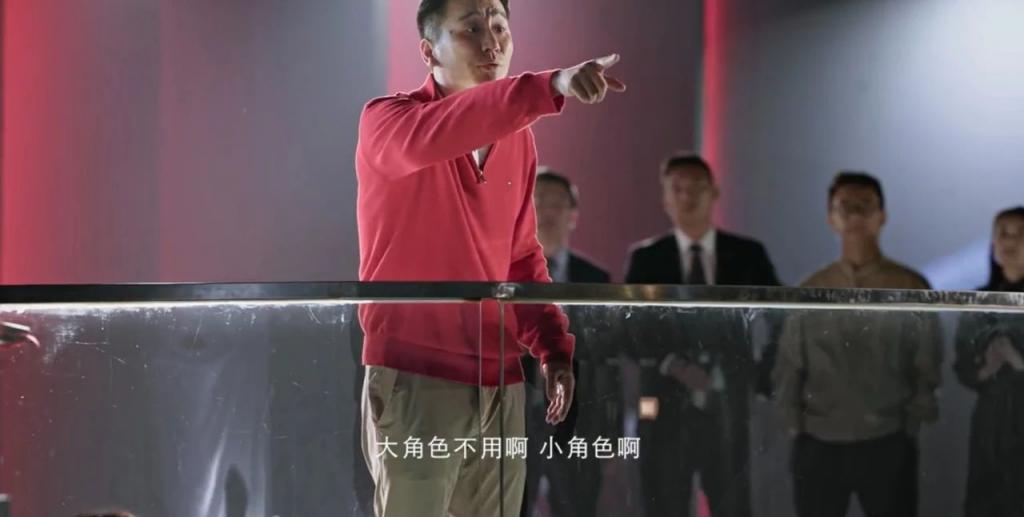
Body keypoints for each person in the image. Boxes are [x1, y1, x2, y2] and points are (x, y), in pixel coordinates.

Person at [354, 0, 626, 515]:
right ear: (428, 50)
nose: (492, 41)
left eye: (499, 26)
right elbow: (452, 125)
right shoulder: (387, 122)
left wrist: (553, 348)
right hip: (416, 373)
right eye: (472, 28)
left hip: (501, 381)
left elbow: (521, 258)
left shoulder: (518, 138)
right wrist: (550, 85)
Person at [772, 172, 942, 517]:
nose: (854, 215)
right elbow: (789, 367)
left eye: (865, 205)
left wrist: (911, 425)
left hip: (887, 438)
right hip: (819, 440)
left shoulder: (910, 286)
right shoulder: (811, 289)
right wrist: (794, 426)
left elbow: (927, 362)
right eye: (844, 206)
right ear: (831, 218)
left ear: (882, 216)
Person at [624, 152, 780, 517]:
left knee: (733, 504)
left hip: (729, 405)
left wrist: (759, 375)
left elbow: (779, 319)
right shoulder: (646, 258)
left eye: (697, 187)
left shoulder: (748, 255)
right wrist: (675, 366)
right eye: (677, 189)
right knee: (664, 502)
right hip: (665, 406)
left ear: (715, 193)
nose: (687, 197)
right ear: (665, 199)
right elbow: (629, 330)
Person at [521, 169, 611, 517]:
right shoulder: (504, 274)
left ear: (573, 215)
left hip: (579, 420)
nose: (546, 210)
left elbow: (606, 355)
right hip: (517, 413)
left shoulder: (595, 279)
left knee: (575, 505)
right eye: (538, 201)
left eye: (557, 203)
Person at [953, 206, 1024, 517]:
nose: (1010, 241)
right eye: (1003, 233)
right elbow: (963, 367)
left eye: (1020, 233)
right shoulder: (979, 300)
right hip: (991, 419)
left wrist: (1017, 359)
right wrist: (988, 365)